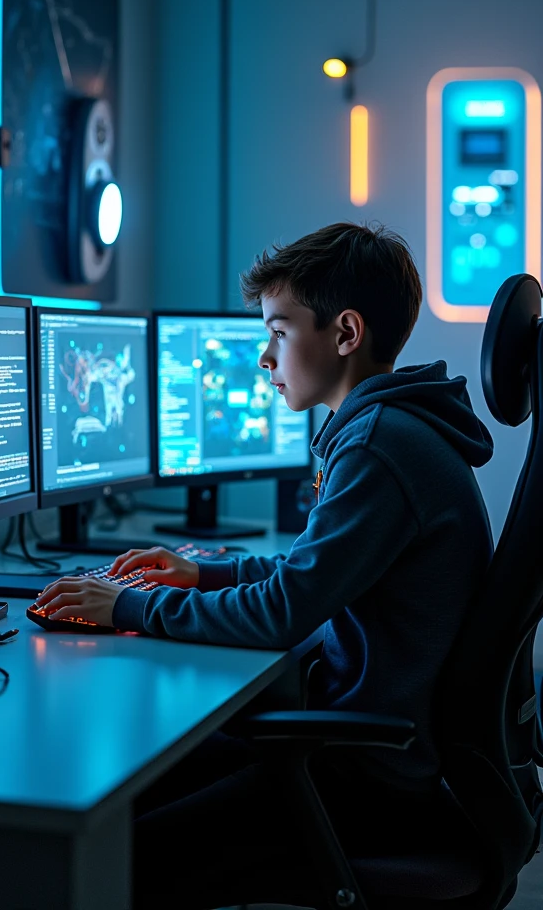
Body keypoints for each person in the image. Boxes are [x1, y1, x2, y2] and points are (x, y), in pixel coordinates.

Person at [35, 222, 494, 908]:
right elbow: (314, 570)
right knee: (145, 788)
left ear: (344, 334)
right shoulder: (392, 428)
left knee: (123, 855)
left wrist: (126, 607)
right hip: (379, 748)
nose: (264, 357)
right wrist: (203, 573)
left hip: (371, 777)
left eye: (279, 332)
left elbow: (283, 612)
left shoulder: (376, 447)